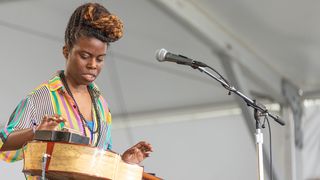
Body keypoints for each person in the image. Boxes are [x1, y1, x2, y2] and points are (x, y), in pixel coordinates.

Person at [0, 2, 153, 178]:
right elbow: (2, 143)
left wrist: (123, 162)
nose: (93, 65)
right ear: (66, 52)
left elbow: (97, 161)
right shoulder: (42, 98)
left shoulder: (101, 104)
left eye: (100, 59)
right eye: (85, 56)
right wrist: (35, 132)